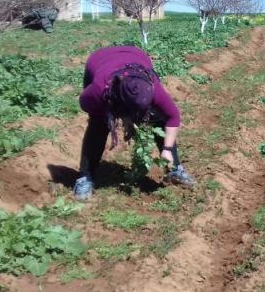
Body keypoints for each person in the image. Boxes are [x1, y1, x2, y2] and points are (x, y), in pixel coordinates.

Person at [74, 45, 197, 200]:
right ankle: (85, 177)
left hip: (136, 55)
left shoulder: (152, 85)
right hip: (99, 60)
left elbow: (173, 116)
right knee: (99, 124)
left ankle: (175, 168)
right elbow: (84, 104)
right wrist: (111, 114)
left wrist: (167, 148)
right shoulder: (98, 89)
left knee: (157, 118)